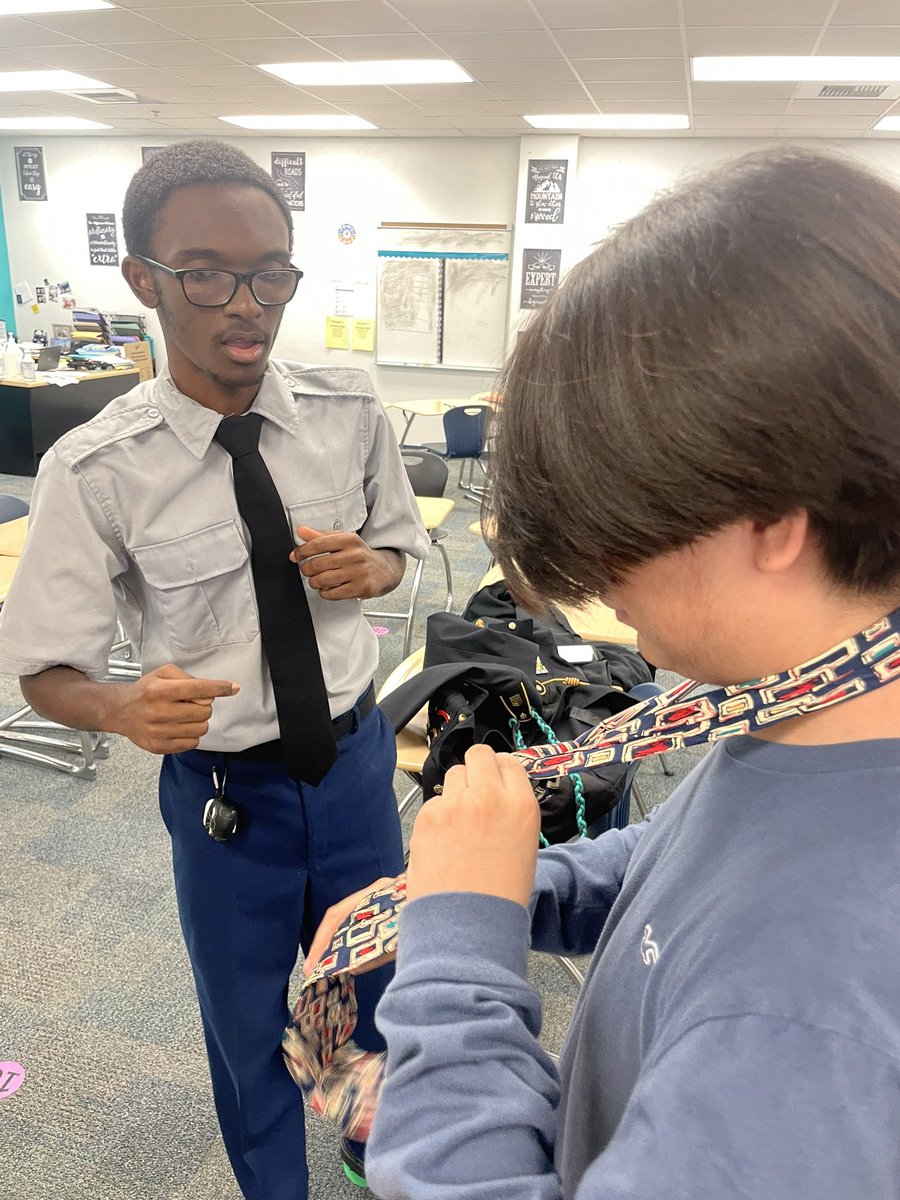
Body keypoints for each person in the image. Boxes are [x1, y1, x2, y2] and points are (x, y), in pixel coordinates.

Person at [307, 146, 900, 1199]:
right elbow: (686, 862)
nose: (592, 584)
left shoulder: (812, 1018)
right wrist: (489, 889)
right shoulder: (814, 706)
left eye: (619, 532)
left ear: (769, 518)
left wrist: (456, 960)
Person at [0, 139, 429, 1200]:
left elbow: (402, 551)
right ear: (143, 279)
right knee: (247, 1021)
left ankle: (370, 1153)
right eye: (206, 273)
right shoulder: (94, 470)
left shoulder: (348, 409)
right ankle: (276, 1187)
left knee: (368, 987)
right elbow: (43, 670)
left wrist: (369, 566)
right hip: (227, 802)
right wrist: (116, 705)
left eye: (270, 271)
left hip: (357, 768)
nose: (247, 304)